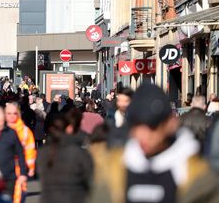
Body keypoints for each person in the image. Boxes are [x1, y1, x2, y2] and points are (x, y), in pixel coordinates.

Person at [91, 84, 219, 203]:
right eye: (137, 125)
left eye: (152, 126)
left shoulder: (199, 176)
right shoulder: (112, 169)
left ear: (171, 123)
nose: (143, 135)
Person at [37, 113, 94, 203]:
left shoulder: (43, 152)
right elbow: (89, 176)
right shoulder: (78, 152)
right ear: (69, 128)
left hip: (49, 198)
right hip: (74, 197)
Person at [5, 102, 36, 203]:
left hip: (19, 168)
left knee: (17, 196)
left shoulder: (25, 131)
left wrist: (30, 167)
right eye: (8, 113)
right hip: (2, 169)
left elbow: (30, 150)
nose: (12, 116)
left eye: (14, 113)